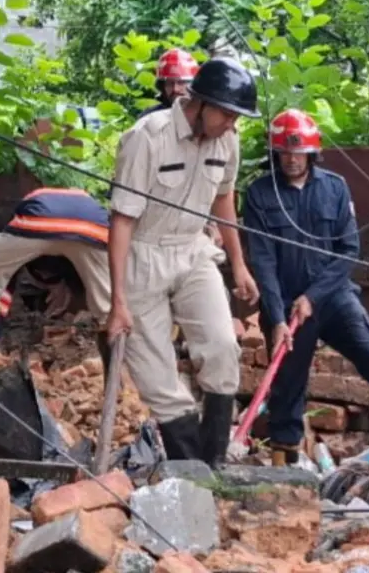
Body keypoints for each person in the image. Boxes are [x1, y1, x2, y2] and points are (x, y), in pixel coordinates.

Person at [242, 109, 369, 467]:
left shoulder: (335, 187)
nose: (291, 159)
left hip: (334, 297)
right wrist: (277, 318)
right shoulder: (260, 194)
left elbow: (348, 250)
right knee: (287, 385)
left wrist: (313, 297)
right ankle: (283, 471)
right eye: (284, 152)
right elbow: (263, 262)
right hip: (286, 305)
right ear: (274, 153)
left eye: (299, 152)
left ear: (312, 152)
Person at [107, 57, 261, 465]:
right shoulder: (147, 137)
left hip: (193, 249)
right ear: (201, 102)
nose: (231, 124)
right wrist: (117, 301)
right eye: (226, 114)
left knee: (222, 348)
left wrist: (239, 264)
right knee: (158, 378)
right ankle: (193, 472)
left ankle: (214, 465)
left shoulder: (227, 139)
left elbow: (224, 198)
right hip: (144, 253)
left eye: (237, 117)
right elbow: (122, 220)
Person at [0, 187, 112, 376]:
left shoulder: (33, 200)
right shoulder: (88, 201)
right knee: (111, 310)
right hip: (96, 231)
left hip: (38, 222)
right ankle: (117, 376)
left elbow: (4, 283)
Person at [140, 48, 199, 119]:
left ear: (193, 84)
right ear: (162, 86)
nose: (175, 89)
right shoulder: (150, 117)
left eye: (181, 82)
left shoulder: (204, 116)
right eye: (169, 83)